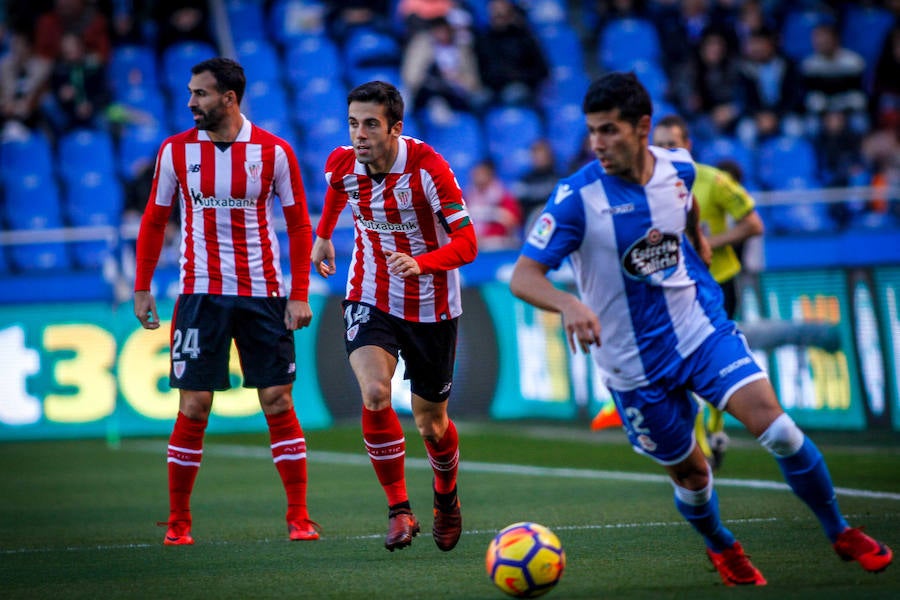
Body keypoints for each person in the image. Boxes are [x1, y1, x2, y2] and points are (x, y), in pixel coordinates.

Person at [509, 71, 893, 586]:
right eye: (592, 131)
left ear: (643, 127)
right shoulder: (576, 198)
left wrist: (697, 240)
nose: (597, 143)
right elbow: (523, 276)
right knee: (693, 475)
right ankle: (722, 546)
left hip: (698, 330)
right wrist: (568, 305)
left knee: (778, 428)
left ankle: (840, 531)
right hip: (632, 364)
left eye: (610, 131)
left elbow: (685, 205)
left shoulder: (680, 168)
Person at [133, 57, 319, 546]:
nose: (191, 102)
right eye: (191, 93)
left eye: (200, 93)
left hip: (263, 295)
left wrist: (298, 294)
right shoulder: (175, 152)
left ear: (229, 98)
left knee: (278, 400)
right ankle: (178, 524)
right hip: (199, 295)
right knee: (194, 406)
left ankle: (299, 518)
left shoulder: (274, 152)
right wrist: (142, 285)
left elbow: (300, 226)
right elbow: (154, 221)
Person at [311, 80, 477, 552]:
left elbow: (468, 244)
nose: (358, 134)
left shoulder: (430, 169)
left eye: (369, 124)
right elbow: (337, 192)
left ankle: (446, 499)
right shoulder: (342, 162)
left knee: (431, 424)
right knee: (376, 392)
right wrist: (324, 235)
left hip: (431, 305)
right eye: (352, 124)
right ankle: (399, 510)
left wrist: (423, 262)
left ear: (395, 129)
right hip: (370, 292)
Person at [651, 113, 764, 469]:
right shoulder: (646, 186)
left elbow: (753, 223)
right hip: (674, 288)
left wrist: (706, 241)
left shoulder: (714, 181)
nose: (666, 151)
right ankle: (701, 436)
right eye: (659, 145)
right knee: (676, 367)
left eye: (673, 144)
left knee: (714, 363)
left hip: (717, 283)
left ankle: (712, 428)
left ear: (688, 145)